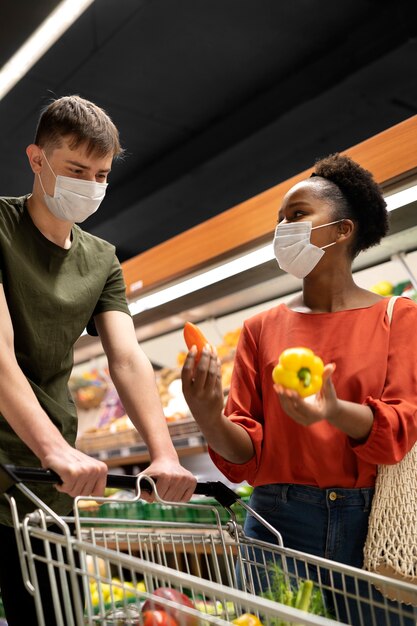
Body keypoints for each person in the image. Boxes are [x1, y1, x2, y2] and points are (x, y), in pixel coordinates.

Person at [181, 153, 417, 624]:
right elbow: (246, 453)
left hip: (372, 526)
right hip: (275, 522)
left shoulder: (400, 319)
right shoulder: (260, 328)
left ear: (342, 231)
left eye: (297, 216)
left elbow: (399, 428)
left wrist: (334, 410)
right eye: (279, 220)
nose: (282, 229)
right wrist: (209, 415)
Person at [0, 94, 196, 625]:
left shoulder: (102, 259)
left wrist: (165, 455)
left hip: (48, 492)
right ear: (37, 159)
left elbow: (127, 358)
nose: (90, 185)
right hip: (30, 459)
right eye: (76, 169)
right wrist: (53, 450)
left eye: (102, 173)